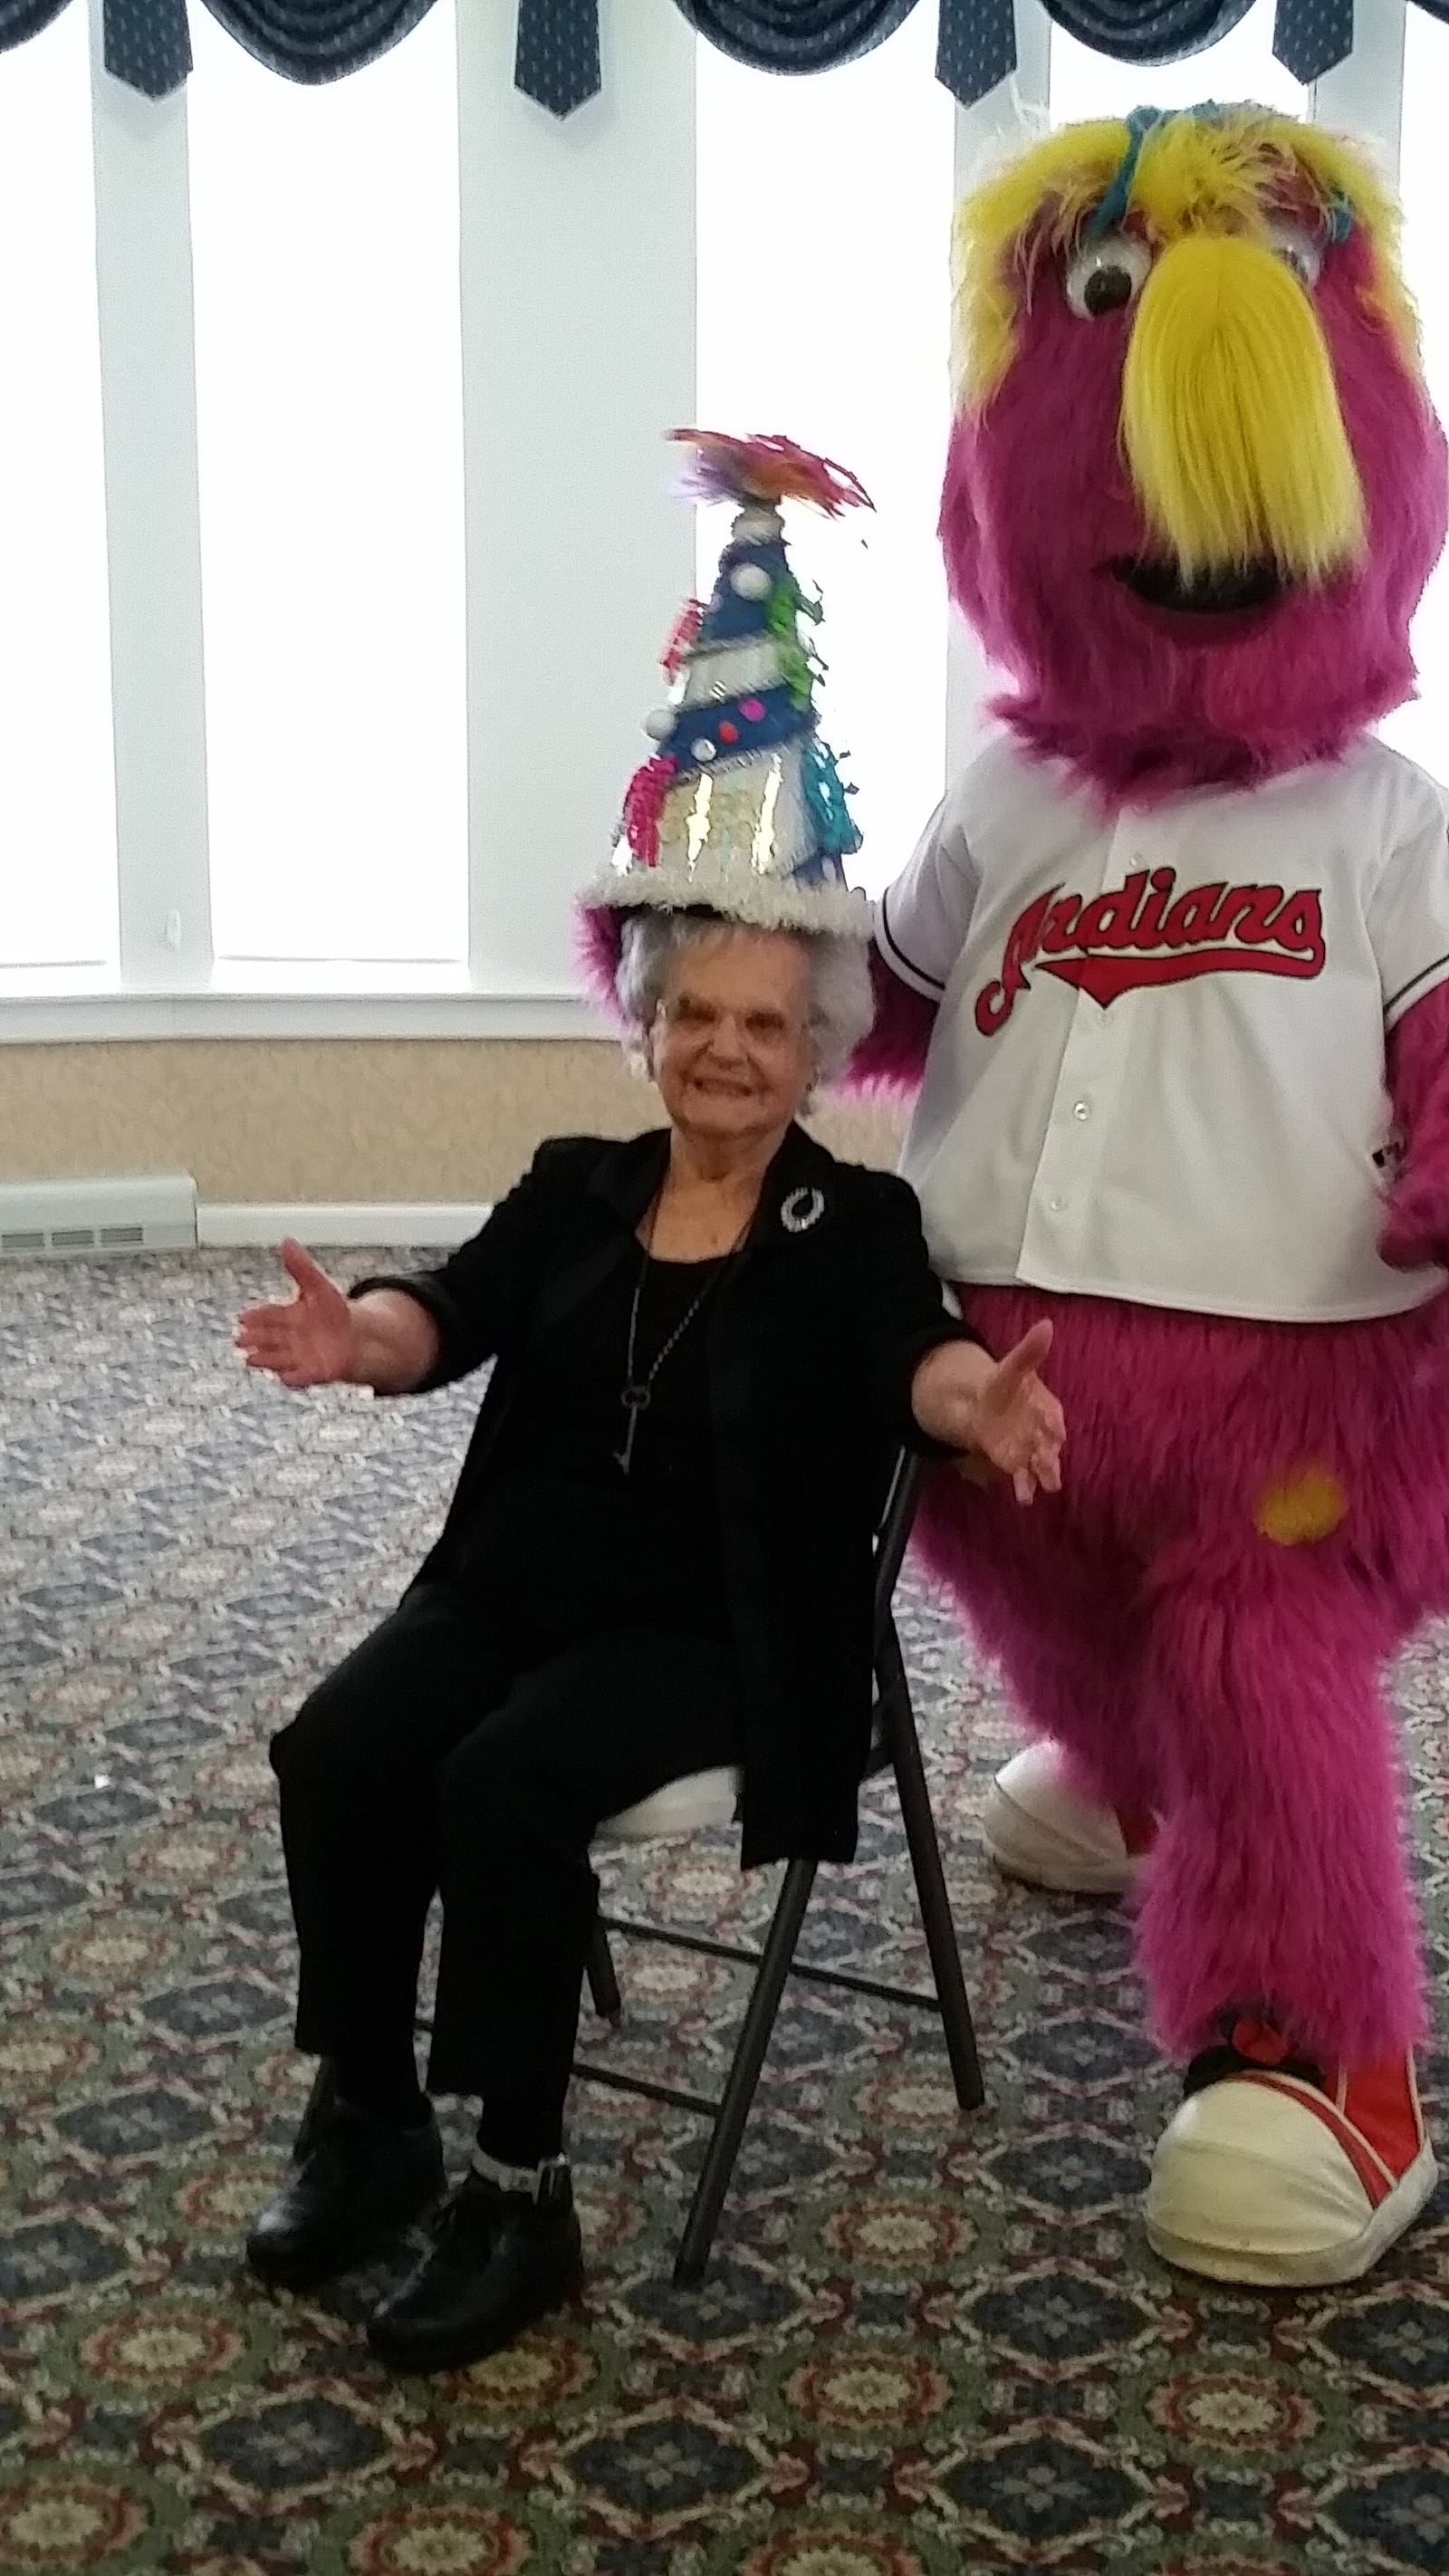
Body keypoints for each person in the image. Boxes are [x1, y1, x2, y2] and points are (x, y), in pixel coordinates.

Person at [238, 435, 1066, 2374]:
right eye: (691, 1015)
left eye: (761, 1025)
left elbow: (910, 1359)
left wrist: (972, 1406)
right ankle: (367, 2112)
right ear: (652, 1022)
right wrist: (369, 1336)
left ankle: (517, 2193)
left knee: (498, 1784)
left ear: (812, 1047)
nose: (719, 1050)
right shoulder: (577, 1183)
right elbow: (449, 1306)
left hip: (723, 1623)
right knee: (334, 1747)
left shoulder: (851, 1225)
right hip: (519, 1587)